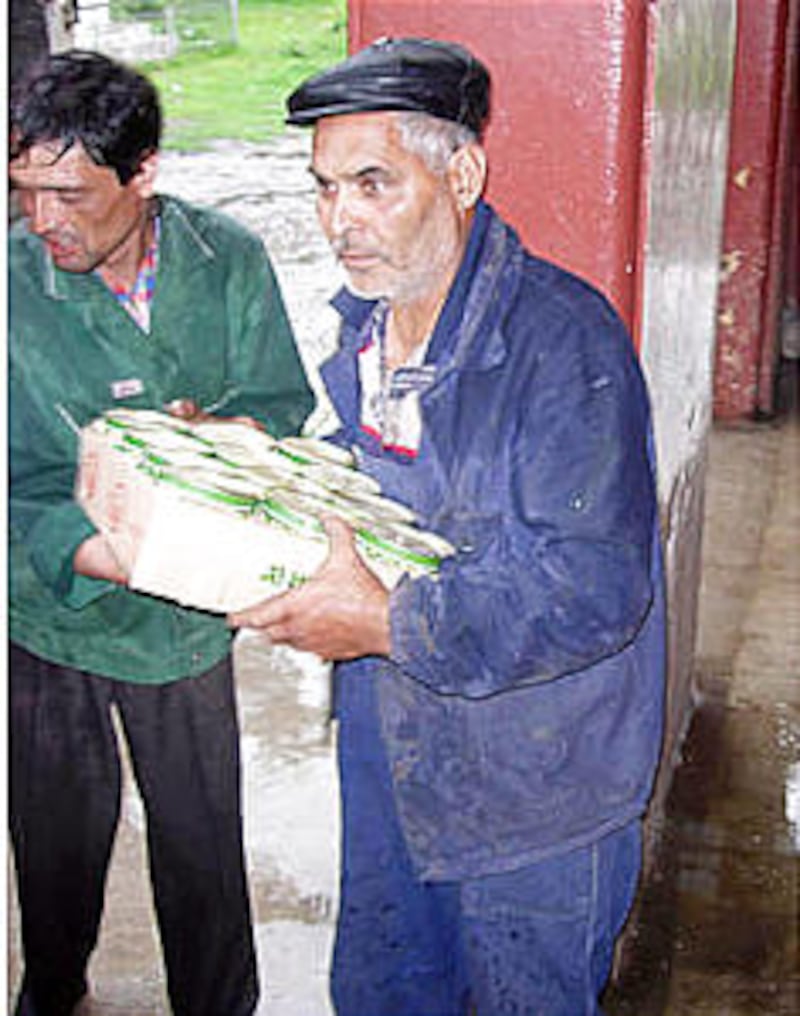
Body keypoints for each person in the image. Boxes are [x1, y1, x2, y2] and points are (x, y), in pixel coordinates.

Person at [230, 36, 667, 1016]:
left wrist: (388, 623)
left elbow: (594, 586)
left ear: (460, 171)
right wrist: (256, 482)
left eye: (372, 183)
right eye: (325, 187)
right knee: (386, 993)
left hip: (535, 789)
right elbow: (389, 503)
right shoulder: (364, 324)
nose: (339, 219)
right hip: (393, 755)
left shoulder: (562, 343)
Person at [8, 50, 315, 1016]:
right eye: (22, 191)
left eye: (68, 193)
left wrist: (222, 442)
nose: (41, 221)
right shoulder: (12, 287)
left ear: (143, 174)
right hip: (50, 608)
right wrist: (94, 547)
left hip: (186, 608)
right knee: (56, 831)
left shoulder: (226, 261)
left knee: (199, 839)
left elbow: (279, 403)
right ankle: (53, 986)